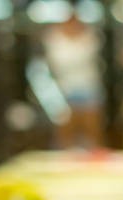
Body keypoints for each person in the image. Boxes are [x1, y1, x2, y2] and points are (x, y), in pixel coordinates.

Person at [42, 7, 105, 149]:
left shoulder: (90, 37)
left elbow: (85, 58)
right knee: (65, 126)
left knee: (92, 125)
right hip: (64, 88)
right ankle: (65, 155)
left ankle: (95, 153)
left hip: (88, 86)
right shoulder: (54, 38)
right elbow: (57, 62)